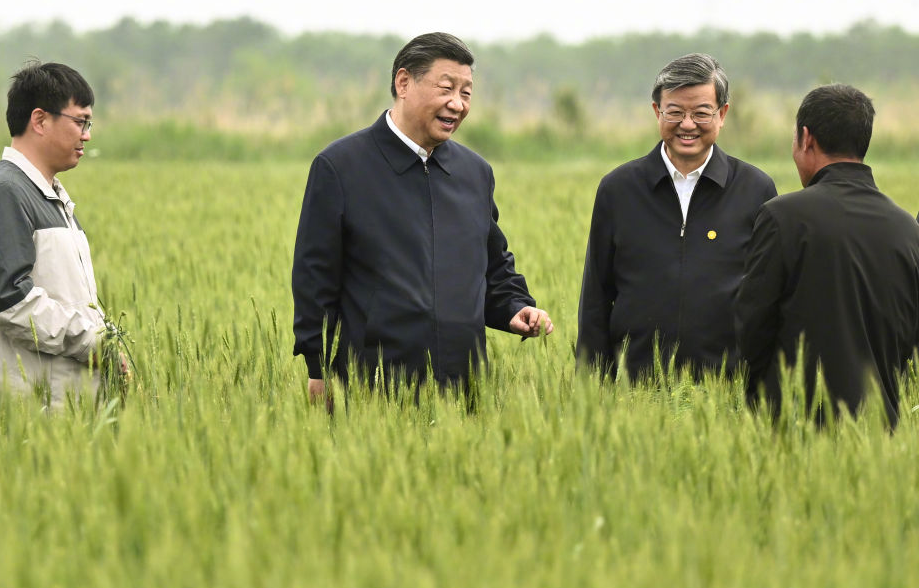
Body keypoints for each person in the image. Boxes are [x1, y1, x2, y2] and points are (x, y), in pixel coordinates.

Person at [292, 32, 553, 398]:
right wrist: (317, 369)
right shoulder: (341, 167)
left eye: (466, 93)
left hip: (463, 389)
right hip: (371, 389)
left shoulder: (475, 173)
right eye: (446, 88)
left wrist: (515, 307)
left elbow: (493, 267)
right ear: (404, 83)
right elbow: (315, 277)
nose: (457, 104)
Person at [576, 53, 777, 379]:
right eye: (675, 112)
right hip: (635, 388)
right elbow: (595, 299)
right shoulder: (618, 189)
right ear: (657, 111)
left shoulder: (755, 190)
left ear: (722, 114)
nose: (687, 124)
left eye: (701, 113)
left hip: (725, 388)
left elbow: (768, 301)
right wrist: (591, 388)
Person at [736, 84, 919, 426]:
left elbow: (753, 328)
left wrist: (756, 403)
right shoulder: (907, 228)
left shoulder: (782, 218)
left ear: (806, 138)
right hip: (880, 431)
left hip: (794, 426)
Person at [0, 61, 114, 407]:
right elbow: (8, 299)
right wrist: (93, 342)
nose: (87, 135)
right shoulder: (6, 193)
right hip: (22, 411)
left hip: (57, 409)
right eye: (80, 121)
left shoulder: (48, 196)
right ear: (40, 120)